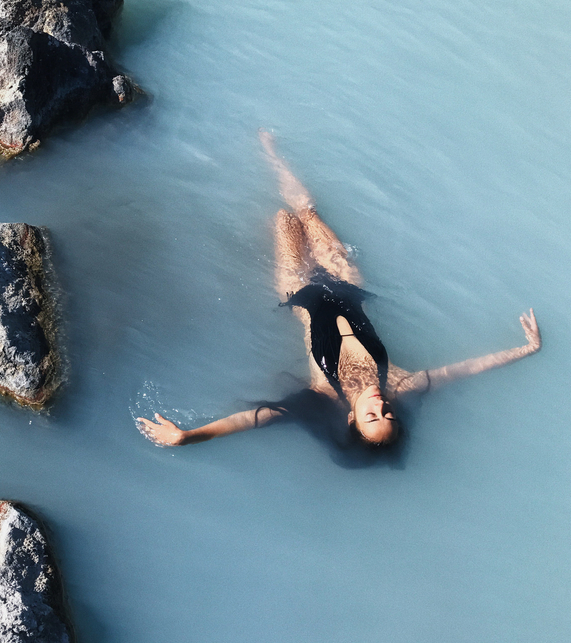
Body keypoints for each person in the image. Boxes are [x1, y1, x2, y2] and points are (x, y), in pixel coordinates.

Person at [137, 132, 541, 449]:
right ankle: (272, 152)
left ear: (352, 418)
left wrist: (189, 435)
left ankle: (262, 160)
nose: (381, 409)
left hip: (301, 292)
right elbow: (467, 368)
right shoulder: (401, 383)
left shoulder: (324, 394)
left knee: (284, 221)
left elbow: (255, 418)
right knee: (308, 211)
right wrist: (527, 349)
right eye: (389, 417)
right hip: (347, 284)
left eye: (372, 418)